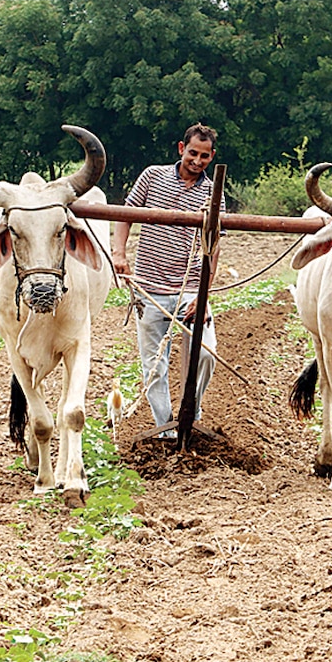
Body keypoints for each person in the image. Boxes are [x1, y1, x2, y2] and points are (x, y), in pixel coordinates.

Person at [112, 123, 225, 438]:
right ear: (181, 149)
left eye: (204, 156)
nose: (197, 161)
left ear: (212, 157)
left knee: (205, 353)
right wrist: (119, 253)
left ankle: (192, 413)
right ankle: (165, 429)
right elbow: (125, 214)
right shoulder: (152, 176)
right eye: (192, 153)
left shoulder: (213, 191)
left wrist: (204, 297)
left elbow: (214, 245)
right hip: (150, 289)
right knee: (154, 364)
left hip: (190, 289)